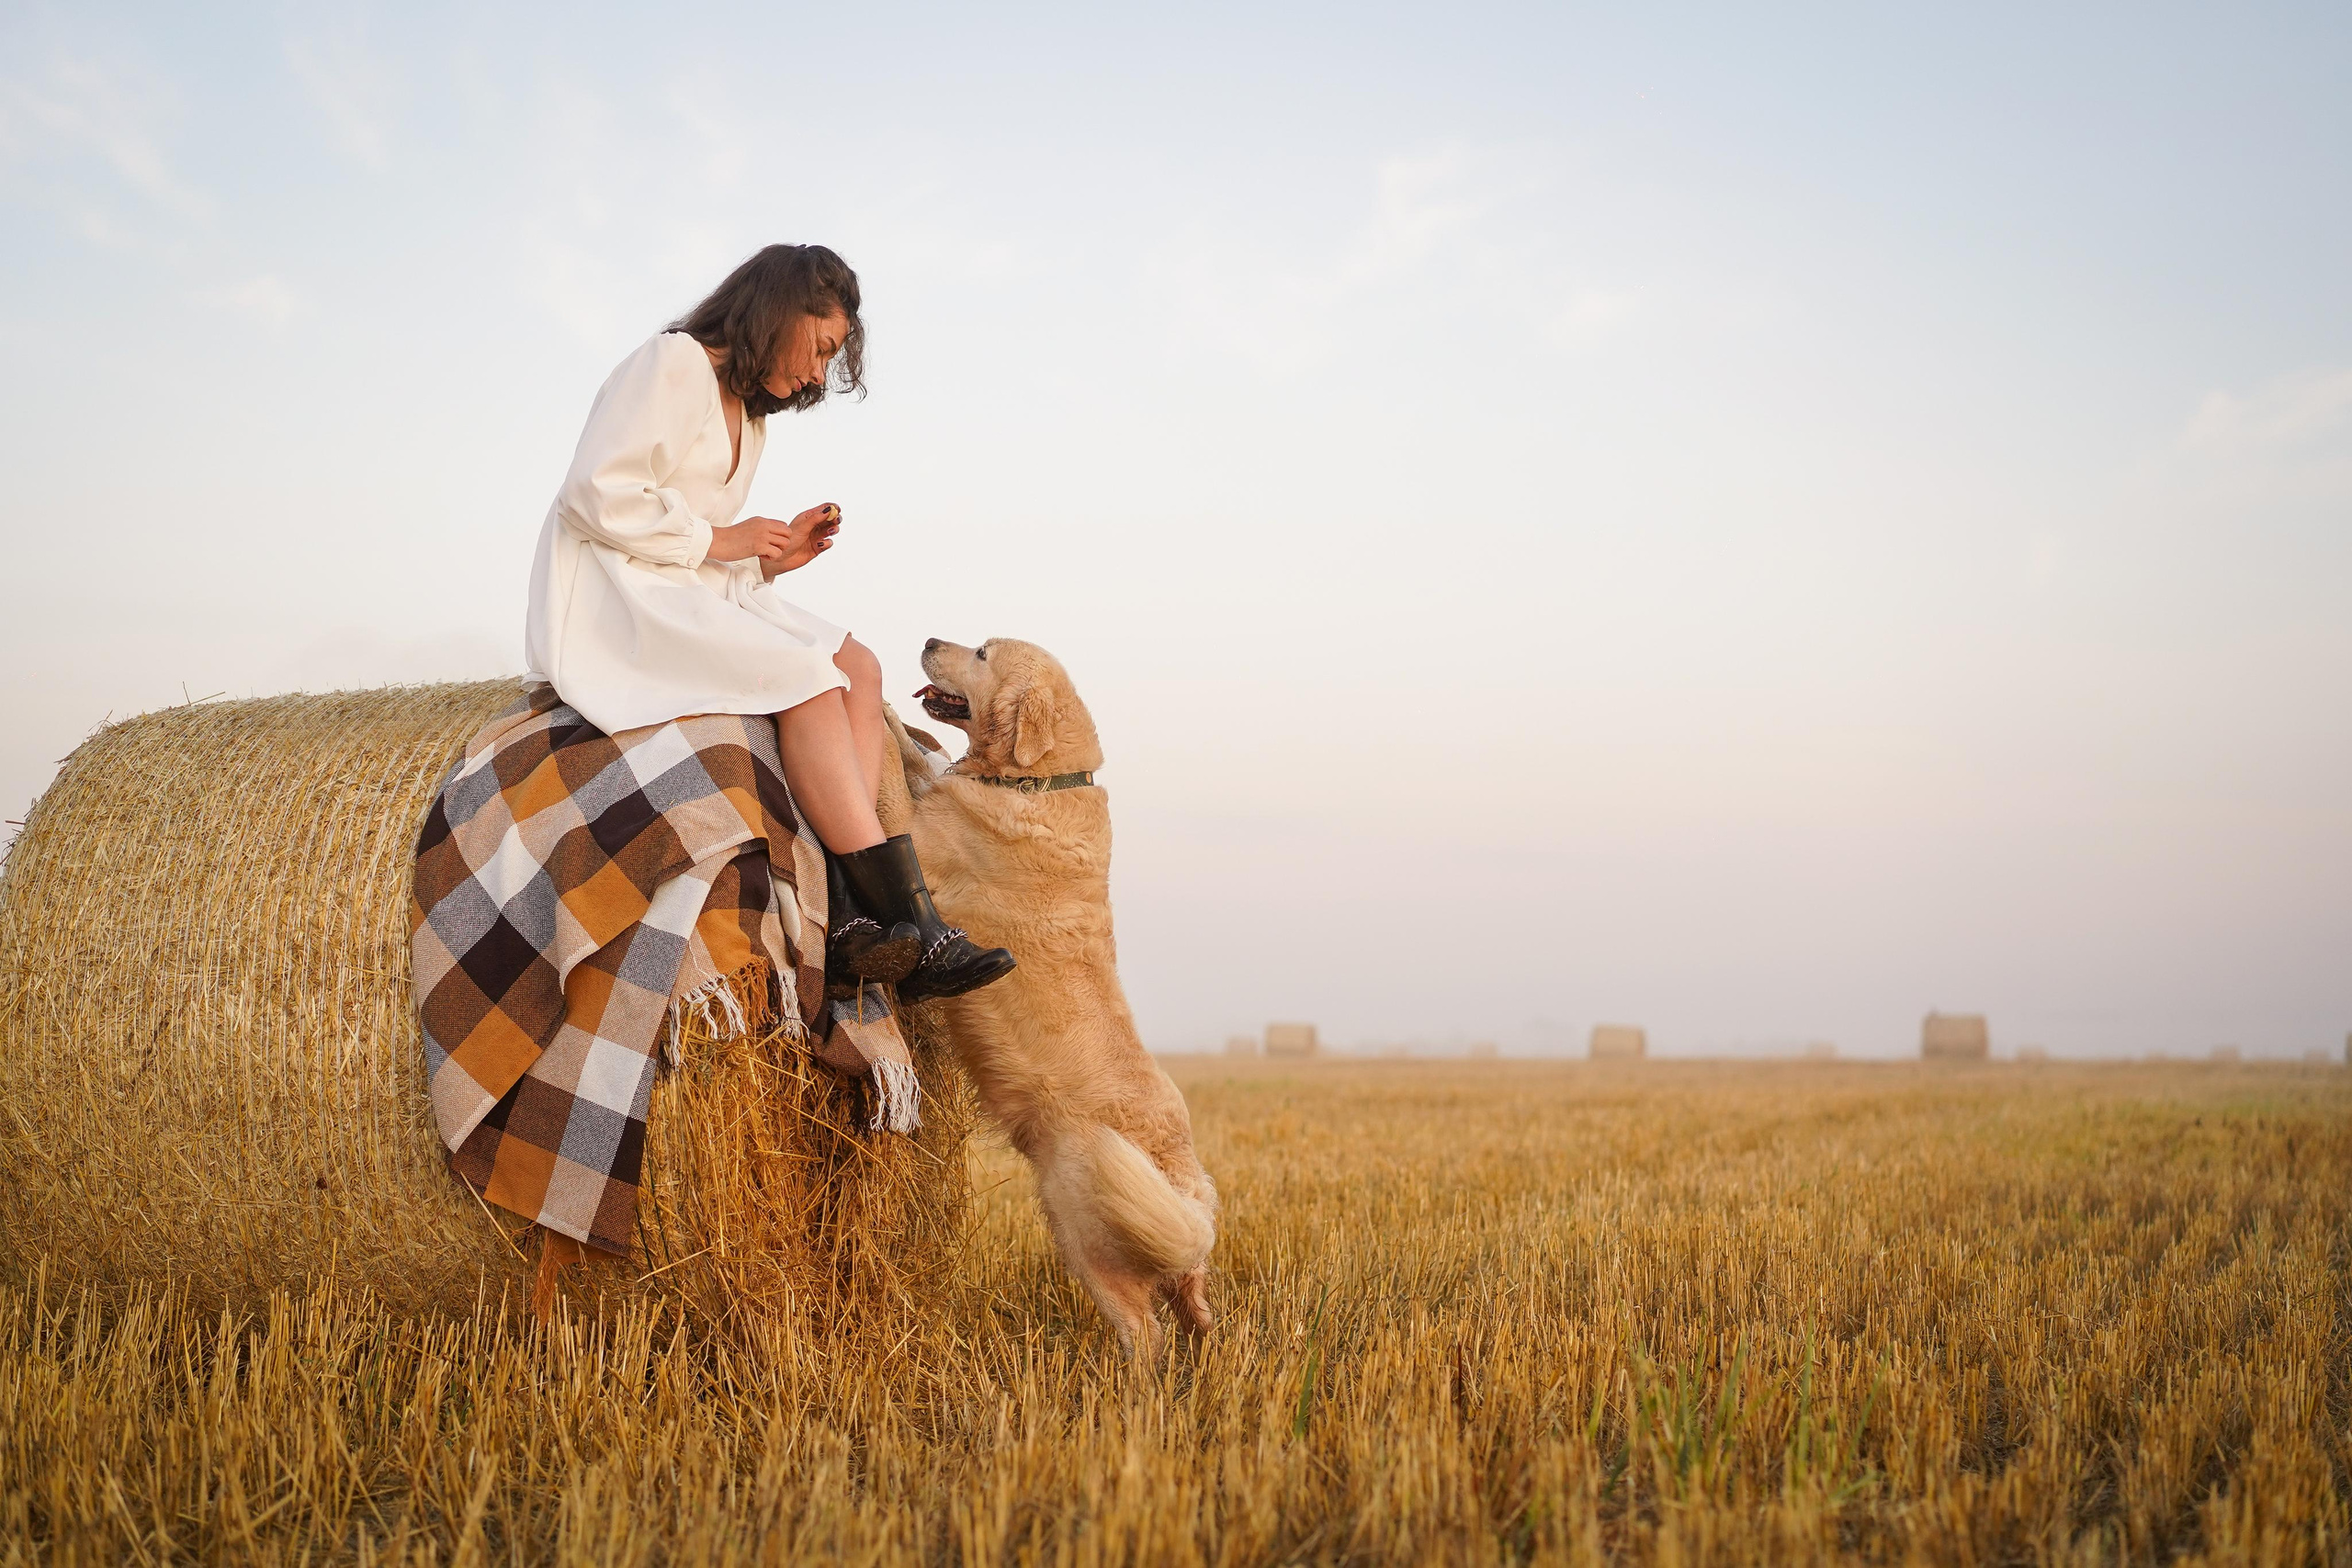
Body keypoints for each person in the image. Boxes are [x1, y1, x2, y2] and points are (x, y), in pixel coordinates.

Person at [524, 243, 1012, 1001]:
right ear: (781, 308)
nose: (820, 374)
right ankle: (906, 914)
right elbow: (593, 491)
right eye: (820, 348)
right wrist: (724, 540)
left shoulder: (752, 424)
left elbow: (704, 547)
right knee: (807, 680)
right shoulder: (672, 363)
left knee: (858, 665)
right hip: (615, 600)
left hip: (687, 590)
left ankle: (849, 918)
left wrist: (770, 556)